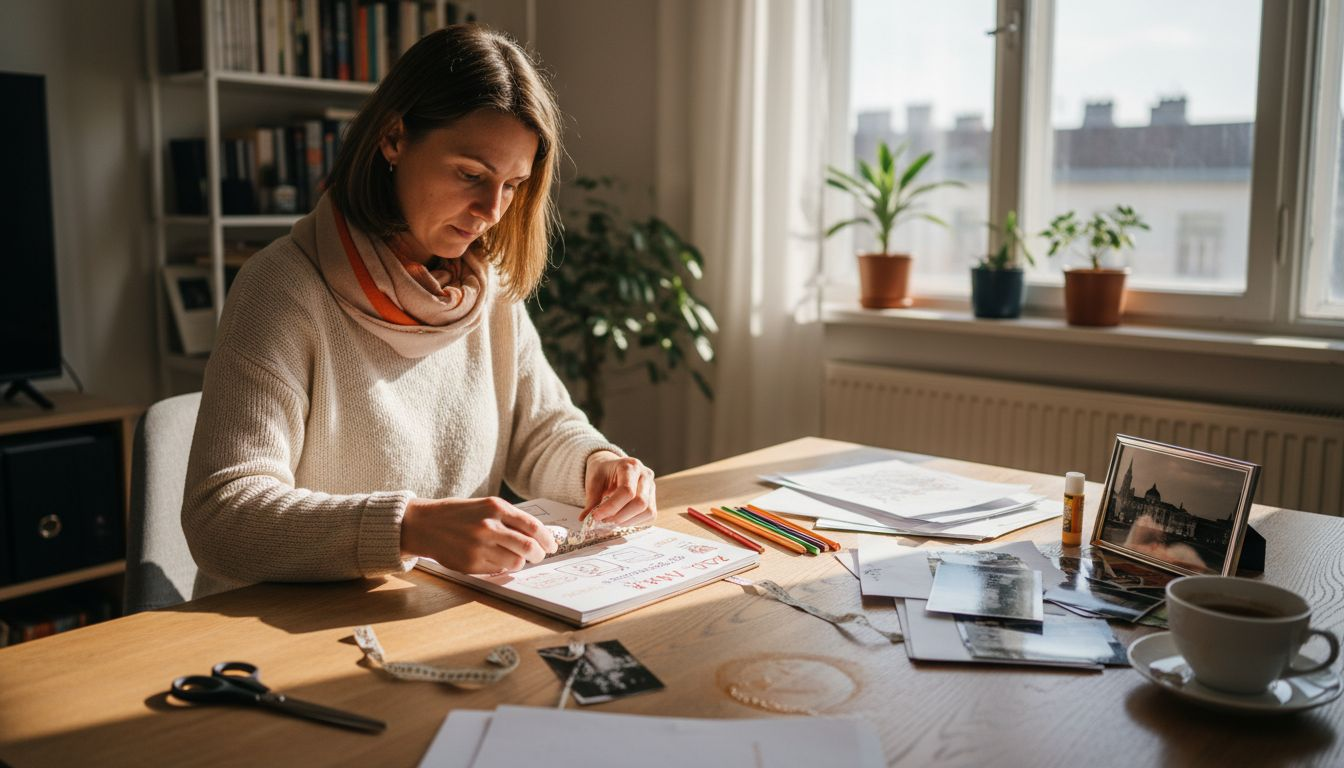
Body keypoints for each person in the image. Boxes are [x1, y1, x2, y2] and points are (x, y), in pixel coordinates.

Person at [181, 25, 656, 592]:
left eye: (513, 185)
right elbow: (221, 517)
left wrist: (597, 467)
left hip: (428, 612)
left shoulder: (491, 289)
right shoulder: (282, 289)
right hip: (282, 632)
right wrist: (408, 528)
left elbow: (543, 430)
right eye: (470, 175)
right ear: (393, 138)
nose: (490, 210)